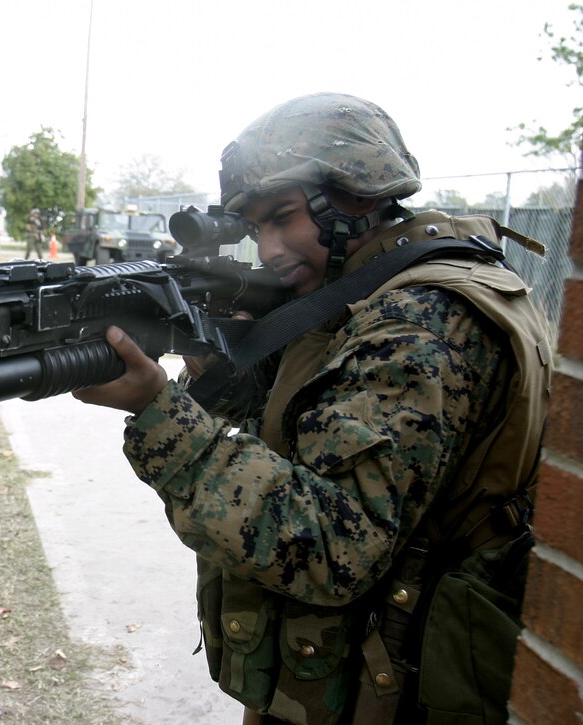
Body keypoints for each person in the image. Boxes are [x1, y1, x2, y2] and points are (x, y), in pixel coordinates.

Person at [73, 93, 551, 725]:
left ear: (355, 196)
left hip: (397, 693)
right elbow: (304, 443)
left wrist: (161, 414)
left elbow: (330, 548)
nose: (268, 248)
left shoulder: (419, 322)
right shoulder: (381, 291)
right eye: (256, 227)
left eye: (284, 217)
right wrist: (229, 376)